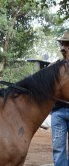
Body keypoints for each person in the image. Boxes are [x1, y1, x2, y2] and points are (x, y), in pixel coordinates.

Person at [51, 31, 69, 166]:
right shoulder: (54, 67)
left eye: (67, 44)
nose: (63, 47)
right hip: (58, 113)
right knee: (58, 149)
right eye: (62, 44)